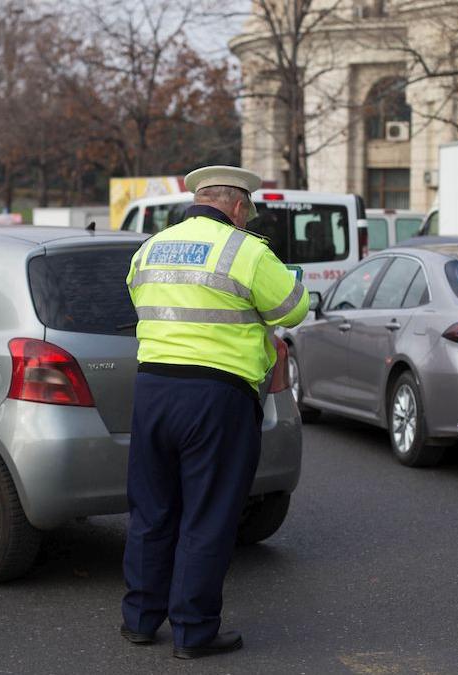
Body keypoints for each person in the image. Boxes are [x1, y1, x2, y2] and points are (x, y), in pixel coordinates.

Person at [120, 165, 309, 660]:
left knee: (151, 510)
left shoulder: (150, 248)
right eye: (248, 211)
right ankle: (194, 631)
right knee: (207, 515)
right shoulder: (245, 250)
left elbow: (138, 297)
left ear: (198, 199)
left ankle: (139, 619)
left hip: (153, 389)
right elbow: (292, 308)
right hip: (216, 397)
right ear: (239, 206)